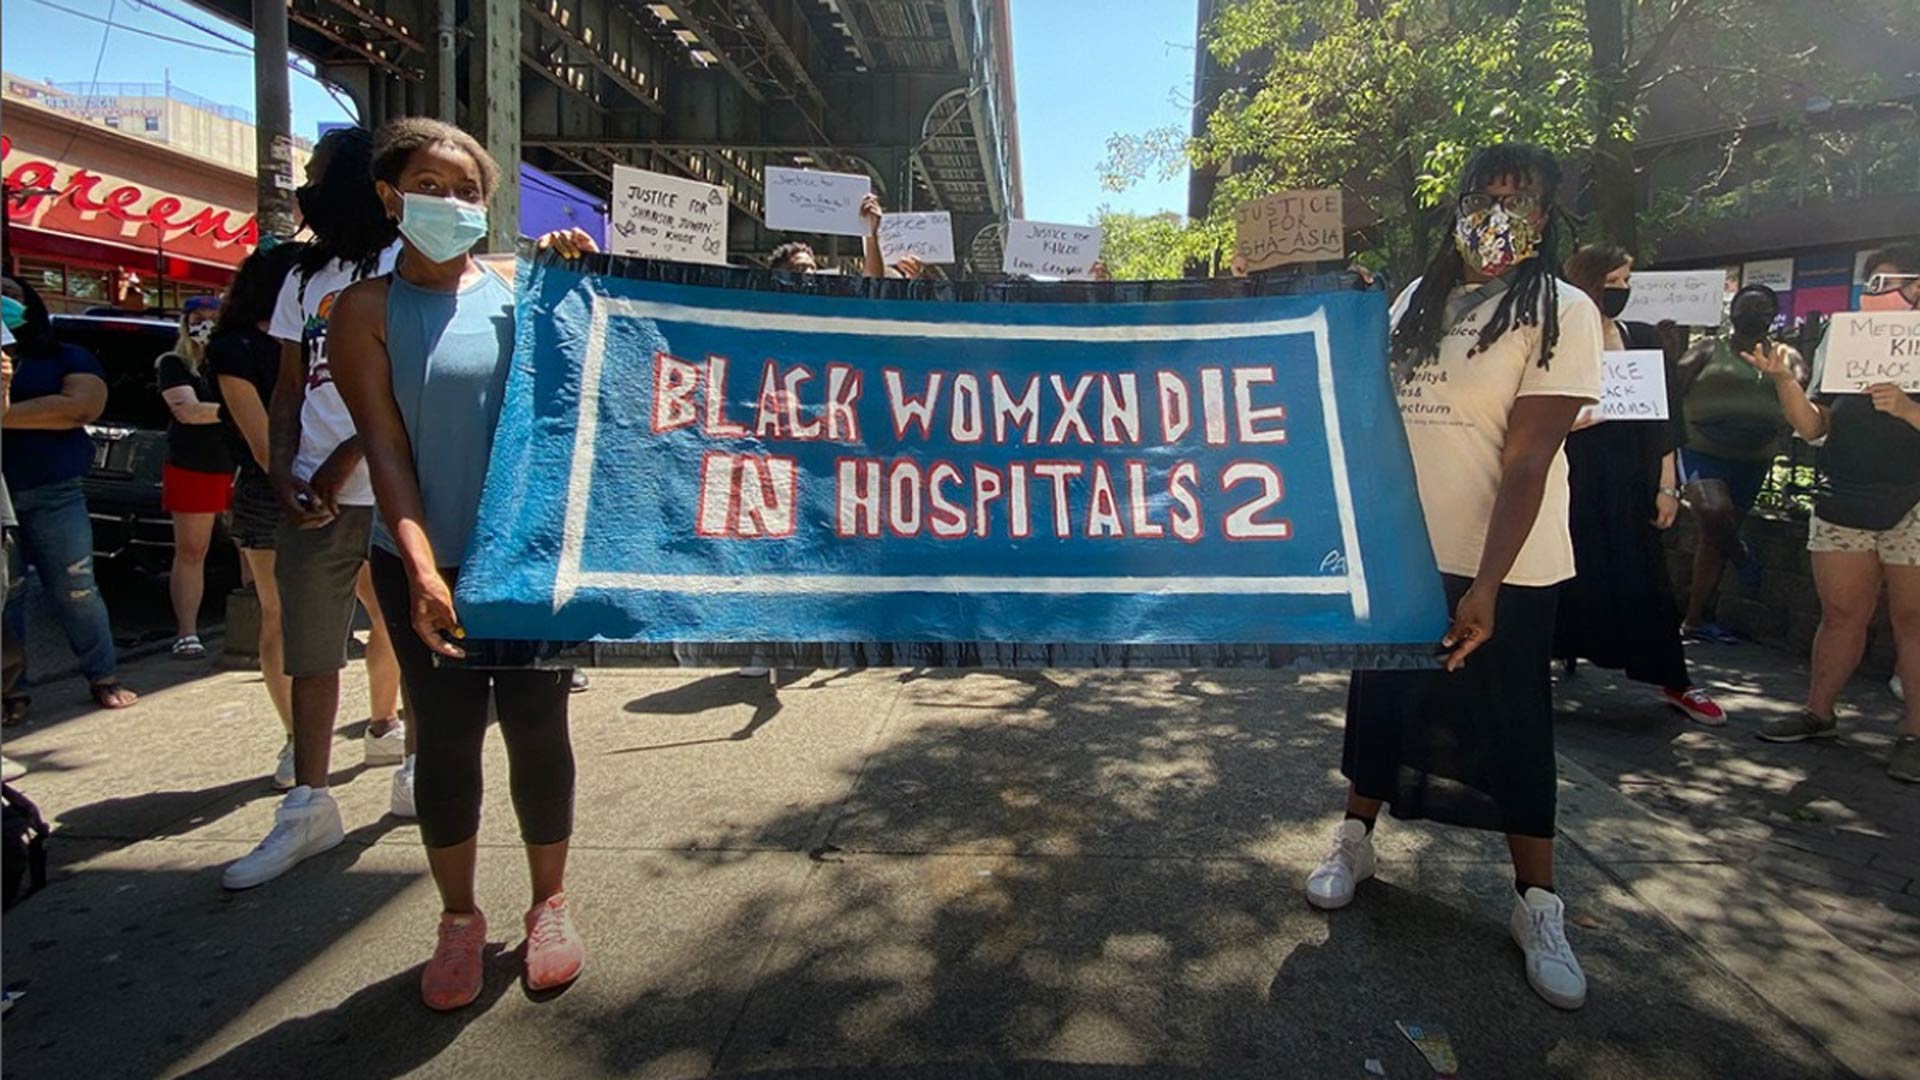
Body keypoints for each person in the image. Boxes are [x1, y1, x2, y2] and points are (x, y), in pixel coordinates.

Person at [1306, 144, 1602, 1010]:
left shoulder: (1560, 310)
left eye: (1523, 202)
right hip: (1406, 554)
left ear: (1547, 220)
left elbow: (1529, 459)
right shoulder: (1413, 302)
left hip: (1505, 566)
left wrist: (1487, 585)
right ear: (1460, 204)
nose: (1499, 215)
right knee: (1383, 706)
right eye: (1486, 196)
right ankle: (1354, 840)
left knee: (1510, 724)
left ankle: (1537, 904)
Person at [331, 118, 591, 1009]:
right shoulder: (362, 311)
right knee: (445, 743)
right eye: (433, 186)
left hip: (521, 566)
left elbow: (586, 389)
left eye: (469, 191)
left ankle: (548, 903)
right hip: (420, 560)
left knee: (537, 734)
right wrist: (420, 567)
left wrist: (575, 272)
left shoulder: (521, 290)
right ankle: (459, 920)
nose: (452, 204)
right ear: (390, 196)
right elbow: (386, 449)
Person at [222, 127, 411, 892]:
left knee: (418, 639)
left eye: (317, 173)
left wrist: (345, 460)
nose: (305, 185)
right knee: (310, 649)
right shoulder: (303, 277)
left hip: (394, 485)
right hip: (312, 494)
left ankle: (418, 771)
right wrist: (279, 465)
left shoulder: (408, 264)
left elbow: (409, 380)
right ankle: (310, 802)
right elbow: (291, 383)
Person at [1746, 245, 1920, 783]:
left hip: (1913, 503)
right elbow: (1816, 426)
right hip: (1844, 497)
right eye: (1873, 283)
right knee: (1841, 615)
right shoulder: (1841, 341)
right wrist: (1782, 381)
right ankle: (1818, 712)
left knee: (1913, 621)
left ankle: (1914, 733)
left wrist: (1910, 410)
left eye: (1893, 283)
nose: (1880, 292)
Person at [1552, 245, 1725, 725]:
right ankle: (1540, 662)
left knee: (1645, 575)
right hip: (1571, 474)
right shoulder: (1554, 337)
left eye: (1627, 283)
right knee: (1563, 572)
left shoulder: (1645, 338)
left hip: (1631, 478)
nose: (1621, 292)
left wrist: (1667, 485)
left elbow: (1664, 420)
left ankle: (1675, 679)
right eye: (1613, 282)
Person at [0, 276, 137, 720]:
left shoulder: (66, 355)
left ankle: (103, 675)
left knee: (77, 589)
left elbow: (80, 406)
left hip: (53, 490)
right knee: (8, 596)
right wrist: (36, 413)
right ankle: (11, 693)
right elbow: (58, 409)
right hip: (5, 494)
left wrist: (4, 414)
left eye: (13, 295)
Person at [207, 242, 309, 790]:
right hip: (275, 491)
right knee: (277, 616)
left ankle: (384, 722)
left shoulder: (325, 329)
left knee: (378, 610)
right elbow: (264, 443)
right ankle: (298, 738)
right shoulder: (237, 347)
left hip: (333, 483)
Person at [1672, 284, 1805, 643]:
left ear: (1772, 315)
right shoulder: (1707, 349)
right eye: (1747, 306)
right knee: (1713, 512)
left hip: (1753, 456)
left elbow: (1802, 395)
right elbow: (1674, 388)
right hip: (1702, 448)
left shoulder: (1785, 355)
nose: (1754, 313)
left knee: (1713, 539)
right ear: (1733, 313)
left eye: (1763, 308)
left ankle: (1696, 619)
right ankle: (1743, 555)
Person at [156, 296, 235, 659]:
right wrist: (242, 409)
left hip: (237, 463)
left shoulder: (228, 361)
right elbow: (188, 411)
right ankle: (186, 632)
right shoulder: (174, 364)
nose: (204, 324)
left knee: (254, 547)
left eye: (212, 317)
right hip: (194, 465)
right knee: (192, 550)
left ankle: (260, 624)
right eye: (196, 318)